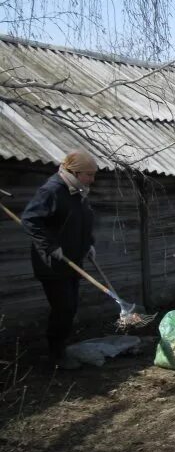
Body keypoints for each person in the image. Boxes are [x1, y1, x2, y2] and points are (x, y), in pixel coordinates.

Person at [21, 150, 97, 370]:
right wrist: (50, 246)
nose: (92, 179)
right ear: (74, 172)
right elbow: (30, 220)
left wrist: (88, 245)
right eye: (88, 174)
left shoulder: (77, 192)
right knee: (63, 307)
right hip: (52, 263)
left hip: (73, 260)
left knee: (70, 307)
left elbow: (82, 222)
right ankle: (55, 356)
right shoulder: (52, 190)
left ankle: (60, 348)